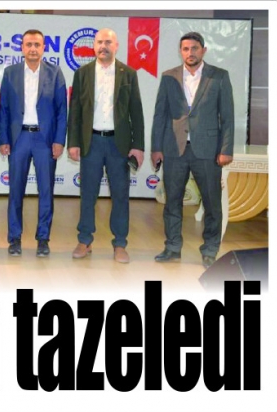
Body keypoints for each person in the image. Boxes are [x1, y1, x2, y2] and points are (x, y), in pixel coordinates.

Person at [151, 31, 234, 269]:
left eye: (195, 48)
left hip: (208, 151)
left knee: (212, 203)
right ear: (181, 52)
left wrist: (226, 149)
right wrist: (156, 148)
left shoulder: (219, 76)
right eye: (186, 49)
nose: (190, 53)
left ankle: (209, 250)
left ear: (203, 50)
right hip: (174, 149)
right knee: (172, 202)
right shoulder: (169, 77)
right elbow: (160, 115)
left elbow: (227, 116)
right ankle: (172, 247)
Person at [67, 28, 145, 264]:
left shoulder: (128, 74)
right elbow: (75, 111)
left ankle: (120, 243)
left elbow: (136, 112)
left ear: (116, 46)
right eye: (100, 42)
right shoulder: (82, 73)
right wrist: (73, 142)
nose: (103, 46)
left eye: (108, 42)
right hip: (91, 142)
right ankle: (84, 240)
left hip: (118, 145)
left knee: (120, 195)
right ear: (94, 46)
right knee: (88, 194)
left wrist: (138, 146)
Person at [0, 29, 67, 258]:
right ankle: (14, 238)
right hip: (19, 139)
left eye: (37, 44)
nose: (33, 49)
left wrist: (59, 140)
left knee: (46, 191)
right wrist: (3, 139)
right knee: (15, 190)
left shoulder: (55, 73)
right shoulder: (10, 73)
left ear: (44, 48)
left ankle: (43, 239)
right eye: (29, 44)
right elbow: (3, 109)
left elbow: (61, 110)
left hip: (44, 141)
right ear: (22, 48)